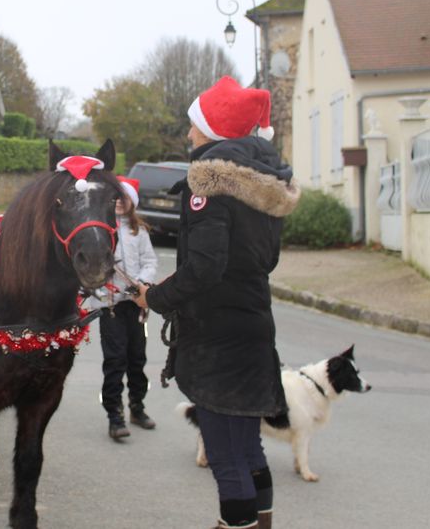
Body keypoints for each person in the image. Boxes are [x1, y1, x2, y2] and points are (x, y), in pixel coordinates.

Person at [136, 76, 300, 529]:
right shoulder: (264, 184)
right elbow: (266, 260)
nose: (189, 135)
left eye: (193, 124)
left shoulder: (208, 183)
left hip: (219, 338)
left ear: (211, 128)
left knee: (227, 459)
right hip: (253, 326)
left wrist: (156, 297)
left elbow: (205, 267)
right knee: (248, 450)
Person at [96, 175, 159, 440]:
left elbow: (150, 261)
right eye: (116, 198)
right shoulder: (101, 230)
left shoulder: (139, 231)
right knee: (115, 359)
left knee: (137, 358)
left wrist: (143, 284)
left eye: (125, 198)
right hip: (111, 306)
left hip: (136, 305)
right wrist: (102, 289)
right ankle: (114, 413)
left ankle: (137, 406)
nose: (120, 203)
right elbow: (94, 267)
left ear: (132, 202)